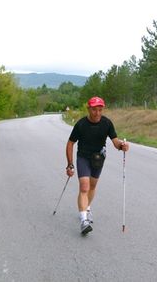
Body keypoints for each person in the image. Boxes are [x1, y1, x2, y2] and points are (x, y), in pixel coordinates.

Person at [65, 96, 129, 235]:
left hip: (98, 159)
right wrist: (69, 164)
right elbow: (70, 143)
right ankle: (84, 221)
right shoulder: (81, 124)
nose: (97, 113)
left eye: (100, 109)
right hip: (83, 157)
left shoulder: (107, 123)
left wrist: (122, 146)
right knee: (84, 186)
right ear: (89, 109)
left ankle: (87, 208)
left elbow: (115, 141)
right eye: (94, 110)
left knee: (92, 186)